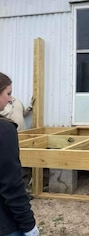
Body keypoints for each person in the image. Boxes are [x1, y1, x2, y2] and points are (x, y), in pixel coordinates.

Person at [0, 72, 39, 236]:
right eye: (8, 93)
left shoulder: (17, 105)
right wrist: (29, 225)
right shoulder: (4, 130)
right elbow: (11, 185)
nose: (10, 99)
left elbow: (24, 113)